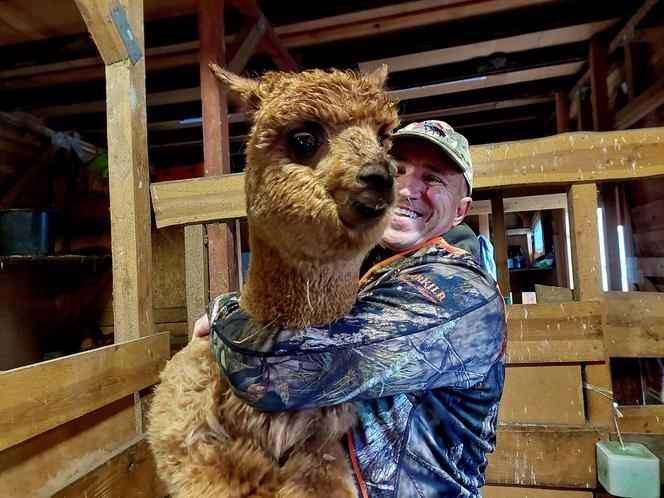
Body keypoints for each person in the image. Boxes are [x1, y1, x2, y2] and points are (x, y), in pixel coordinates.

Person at [194, 120, 506, 497]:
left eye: (434, 179)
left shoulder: (457, 293)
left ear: (460, 211)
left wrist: (226, 311)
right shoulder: (370, 267)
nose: (407, 189)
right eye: (398, 169)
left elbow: (274, 374)